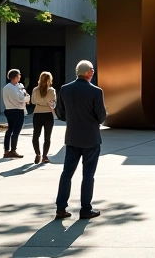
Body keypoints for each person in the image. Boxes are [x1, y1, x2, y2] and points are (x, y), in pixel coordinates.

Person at [55, 60, 106, 220]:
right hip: (91, 138)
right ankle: (85, 209)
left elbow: (60, 113)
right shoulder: (96, 91)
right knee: (88, 175)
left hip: (72, 137)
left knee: (67, 173)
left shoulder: (65, 89)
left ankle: (61, 208)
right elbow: (101, 117)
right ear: (89, 72)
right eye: (93, 70)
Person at [2, 69, 30, 159]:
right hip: (15, 110)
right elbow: (20, 98)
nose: (20, 77)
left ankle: (7, 150)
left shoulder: (19, 85)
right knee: (15, 131)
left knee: (10, 130)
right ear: (15, 77)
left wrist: (25, 97)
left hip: (15, 109)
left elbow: (25, 95)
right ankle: (12, 150)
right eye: (19, 75)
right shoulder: (9, 88)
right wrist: (25, 98)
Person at [31, 71, 58, 164]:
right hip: (48, 114)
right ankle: (45, 156)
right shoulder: (51, 90)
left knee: (36, 135)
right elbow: (53, 103)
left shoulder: (35, 90)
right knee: (47, 137)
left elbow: (33, 101)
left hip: (37, 113)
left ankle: (37, 153)